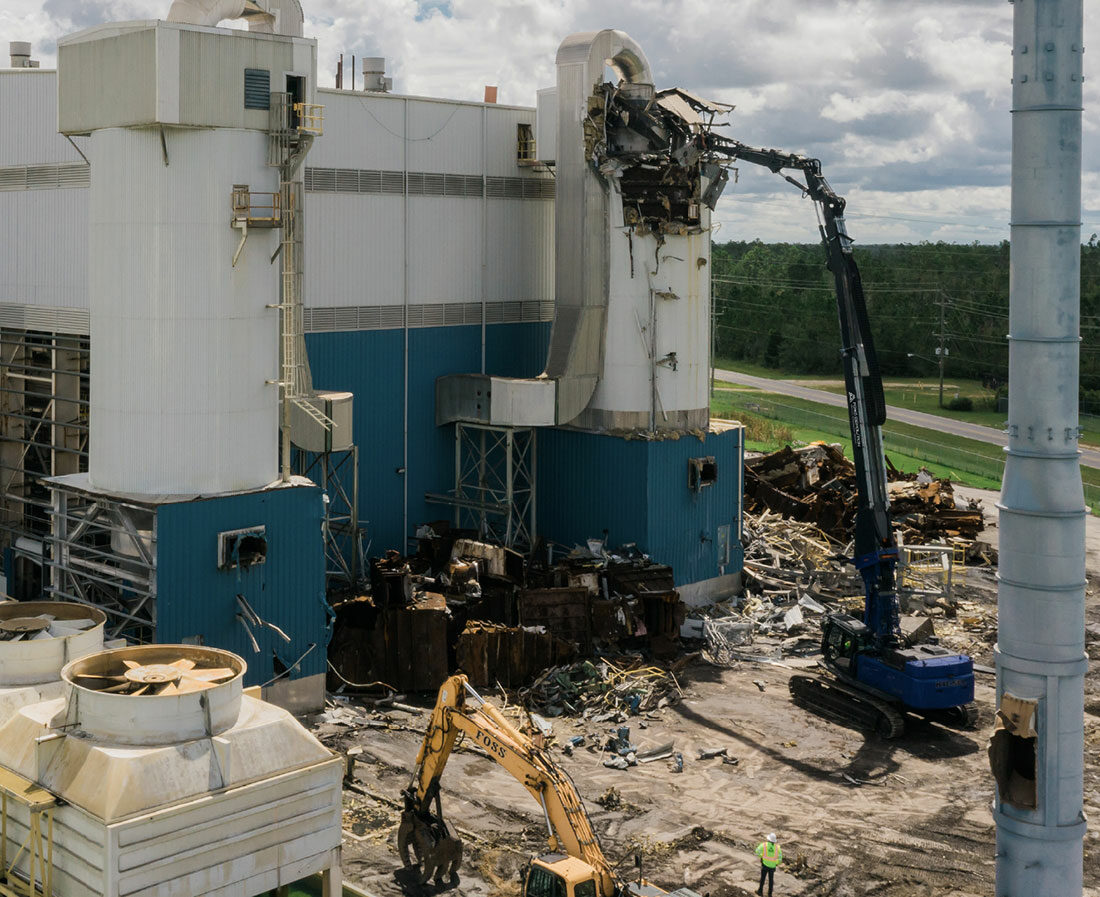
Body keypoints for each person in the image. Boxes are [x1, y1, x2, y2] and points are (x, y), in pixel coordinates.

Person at [755, 832, 782, 896]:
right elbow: (780, 859)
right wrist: (776, 863)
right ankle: (769, 894)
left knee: (762, 878)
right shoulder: (777, 848)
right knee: (771, 880)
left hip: (765, 865)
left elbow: (757, 851)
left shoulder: (764, 845)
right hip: (772, 867)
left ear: (768, 839)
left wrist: (762, 856)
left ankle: (760, 891)